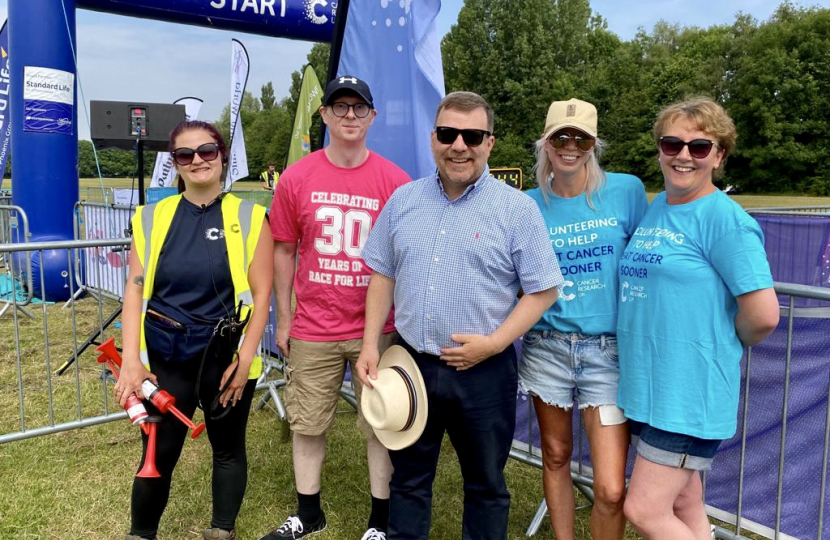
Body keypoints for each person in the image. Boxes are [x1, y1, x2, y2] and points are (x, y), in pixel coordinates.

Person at [357, 91, 564, 540]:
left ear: (489, 143)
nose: (459, 146)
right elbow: (383, 274)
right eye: (449, 134)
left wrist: (493, 343)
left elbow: (543, 290)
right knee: (408, 480)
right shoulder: (404, 200)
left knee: (486, 484)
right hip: (410, 364)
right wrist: (371, 343)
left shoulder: (517, 210)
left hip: (484, 371)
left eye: (472, 136)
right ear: (433, 139)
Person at [617, 98, 780, 540]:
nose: (683, 155)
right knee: (685, 500)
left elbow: (763, 315)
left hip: (687, 396)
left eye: (699, 146)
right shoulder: (658, 208)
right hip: (650, 390)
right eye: (672, 143)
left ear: (719, 156)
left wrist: (719, 343)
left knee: (645, 509)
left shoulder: (724, 220)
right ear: (659, 150)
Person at [259, 75, 410, 540]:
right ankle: (309, 513)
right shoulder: (297, 177)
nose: (349, 116)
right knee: (307, 423)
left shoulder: (395, 181)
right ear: (323, 114)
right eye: (339, 107)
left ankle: (380, 523)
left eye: (358, 108)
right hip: (313, 326)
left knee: (380, 427)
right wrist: (284, 318)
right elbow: (283, 250)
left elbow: (406, 257)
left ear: (372, 117)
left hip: (376, 327)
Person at [115, 120, 274, 540]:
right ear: (176, 165)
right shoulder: (151, 217)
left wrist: (245, 362)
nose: (198, 160)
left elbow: (262, 297)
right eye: (186, 155)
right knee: (159, 451)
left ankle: (221, 531)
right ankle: (141, 534)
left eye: (207, 151)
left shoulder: (251, 216)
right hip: (168, 357)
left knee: (227, 449)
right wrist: (131, 360)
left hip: (226, 358)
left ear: (222, 156)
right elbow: (133, 292)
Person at [519, 98, 648, 540]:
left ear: (593, 144)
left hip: (608, 354)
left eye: (581, 138)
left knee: (611, 488)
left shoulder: (627, 191)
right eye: (561, 137)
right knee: (555, 456)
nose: (570, 146)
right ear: (546, 142)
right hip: (546, 348)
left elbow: (652, 259)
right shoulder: (527, 205)